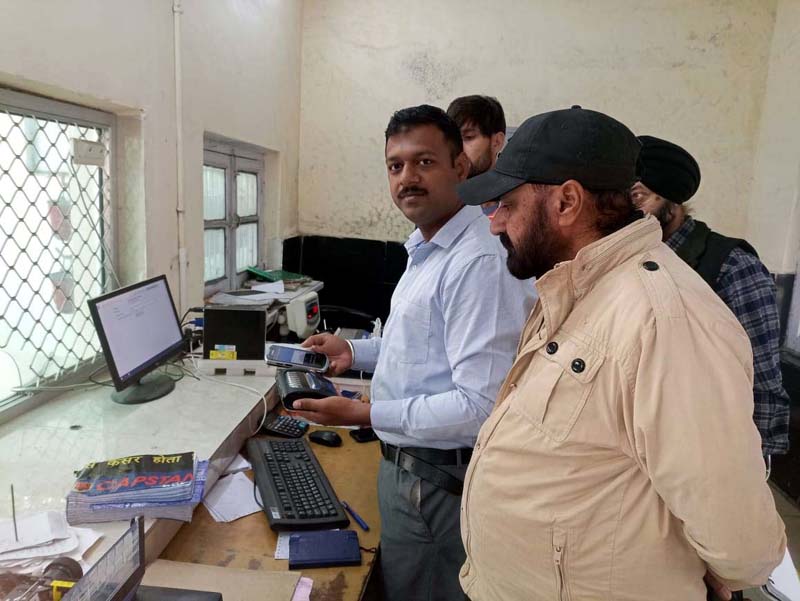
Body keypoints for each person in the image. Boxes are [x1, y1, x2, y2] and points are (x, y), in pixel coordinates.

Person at [455, 105, 786, 600]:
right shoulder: (577, 290)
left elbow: (737, 530)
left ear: (567, 201)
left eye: (504, 203)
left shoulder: (664, 319)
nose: (496, 224)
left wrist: (723, 571)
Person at [291, 105, 536, 601]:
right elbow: (420, 349)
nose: (408, 178)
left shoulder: (478, 263)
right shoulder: (428, 248)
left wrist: (364, 412)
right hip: (409, 468)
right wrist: (352, 351)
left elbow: (479, 407)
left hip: (436, 481)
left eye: (425, 162)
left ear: (460, 168)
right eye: (395, 166)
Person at [632, 135, 790, 457]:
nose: (629, 210)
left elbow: (761, 372)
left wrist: (757, 460)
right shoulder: (630, 260)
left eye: (640, 196)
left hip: (707, 446)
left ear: (673, 203)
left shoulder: (732, 266)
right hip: (643, 444)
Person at [447, 95, 507, 219]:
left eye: (468, 137)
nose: (457, 148)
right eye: (452, 139)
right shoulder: (439, 201)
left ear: (497, 142)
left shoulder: (516, 203)